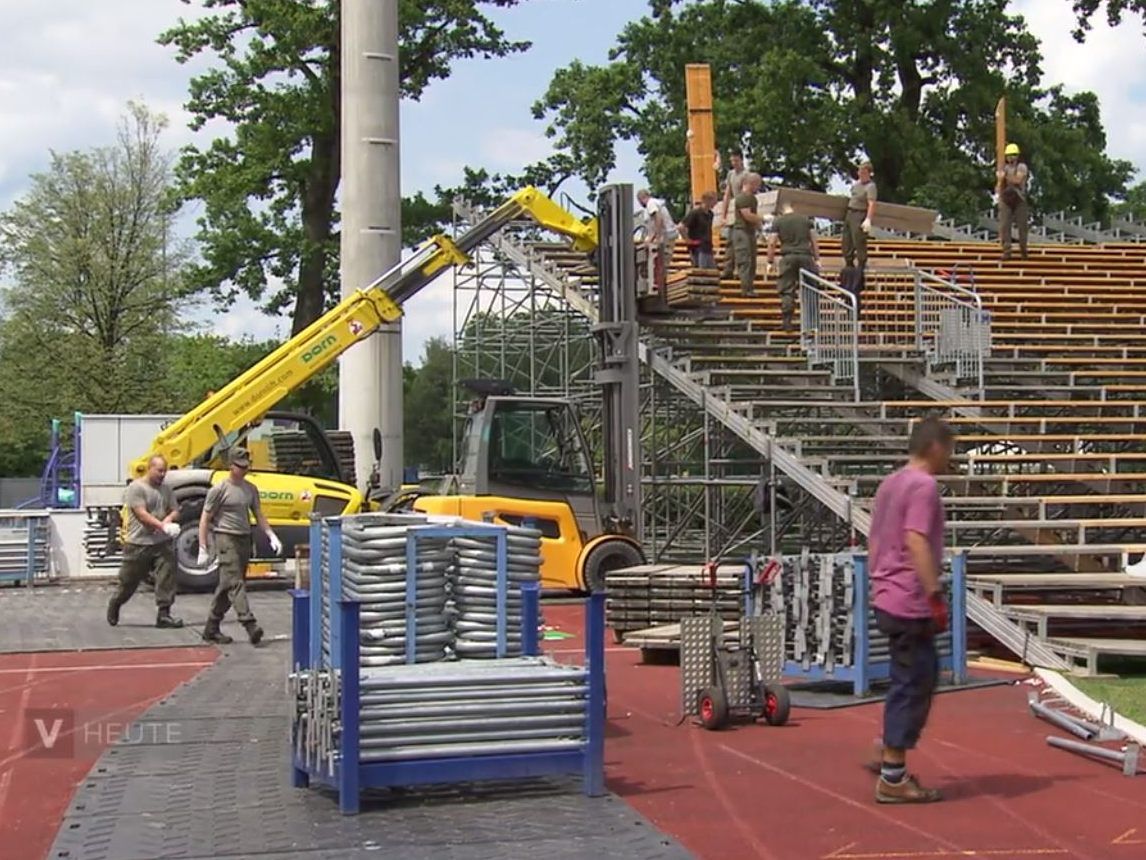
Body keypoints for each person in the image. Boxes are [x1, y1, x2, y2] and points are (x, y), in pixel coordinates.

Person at [866, 417, 954, 804]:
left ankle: (890, 748)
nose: (951, 458)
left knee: (916, 675)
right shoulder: (923, 486)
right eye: (949, 450)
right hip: (909, 597)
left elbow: (876, 537)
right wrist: (934, 591)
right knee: (914, 681)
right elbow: (915, 538)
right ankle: (892, 772)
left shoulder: (890, 484)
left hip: (888, 592)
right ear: (935, 447)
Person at [197, 447, 281, 645]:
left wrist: (271, 535)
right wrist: (203, 546)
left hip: (244, 538)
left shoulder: (250, 489)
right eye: (240, 466)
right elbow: (205, 519)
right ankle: (249, 624)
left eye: (246, 466)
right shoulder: (219, 490)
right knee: (236, 583)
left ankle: (211, 627)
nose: (243, 470)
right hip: (226, 538)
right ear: (230, 466)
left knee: (228, 586)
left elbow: (258, 514)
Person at [106, 454, 184, 629]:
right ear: (150, 468)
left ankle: (164, 615)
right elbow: (141, 514)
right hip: (138, 543)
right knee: (128, 582)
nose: (162, 474)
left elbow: (175, 510)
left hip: (161, 543)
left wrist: (168, 521)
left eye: (165, 471)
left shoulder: (166, 489)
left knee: (167, 576)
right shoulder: (136, 488)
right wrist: (162, 526)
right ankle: (116, 602)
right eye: (159, 470)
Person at [766, 201, 821, 331]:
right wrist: (817, 258)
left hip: (788, 257)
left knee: (787, 290)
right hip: (806, 257)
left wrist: (770, 260)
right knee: (811, 290)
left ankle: (787, 321)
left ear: (780, 210)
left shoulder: (778, 222)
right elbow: (814, 241)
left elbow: (772, 243)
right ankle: (813, 324)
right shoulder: (806, 220)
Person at [636, 188, 678, 293]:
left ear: (641, 199)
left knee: (661, 262)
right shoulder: (656, 203)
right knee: (661, 262)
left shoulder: (651, 203)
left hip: (665, 237)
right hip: (667, 235)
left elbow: (658, 218)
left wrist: (656, 237)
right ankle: (659, 285)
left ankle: (660, 287)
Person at [730, 173, 763, 297]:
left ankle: (750, 287)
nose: (758, 187)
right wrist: (763, 218)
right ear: (752, 183)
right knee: (745, 260)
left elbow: (753, 217)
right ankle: (746, 289)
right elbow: (747, 215)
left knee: (752, 261)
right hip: (741, 232)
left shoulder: (752, 199)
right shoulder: (742, 198)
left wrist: (760, 229)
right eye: (757, 184)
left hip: (750, 232)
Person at [997, 143, 1029, 260]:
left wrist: (1004, 176)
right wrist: (999, 184)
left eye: (1013, 155)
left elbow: (1017, 180)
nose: (1011, 157)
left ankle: (1023, 250)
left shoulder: (1021, 167)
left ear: (1017, 156)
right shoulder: (1004, 168)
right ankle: (1007, 251)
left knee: (1022, 226)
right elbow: (1000, 186)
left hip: (1019, 199)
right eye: (1009, 155)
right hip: (1006, 199)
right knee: (1005, 225)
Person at [719, 149, 748, 278]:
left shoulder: (746, 175)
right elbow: (727, 194)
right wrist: (723, 214)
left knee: (741, 243)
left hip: (743, 210)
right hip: (733, 211)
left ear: (741, 160)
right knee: (730, 242)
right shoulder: (731, 174)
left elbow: (745, 195)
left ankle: (739, 271)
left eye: (736, 160)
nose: (734, 163)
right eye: (732, 161)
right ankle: (728, 269)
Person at [843, 161, 877, 271]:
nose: (861, 174)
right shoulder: (856, 184)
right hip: (850, 212)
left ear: (869, 173)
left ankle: (862, 263)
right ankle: (849, 262)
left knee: (859, 240)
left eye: (863, 172)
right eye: (860, 172)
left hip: (860, 213)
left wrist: (868, 219)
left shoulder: (870, 186)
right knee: (846, 240)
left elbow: (871, 203)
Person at [680, 191, 718, 268]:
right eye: (714, 201)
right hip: (698, 247)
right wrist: (687, 240)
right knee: (701, 270)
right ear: (707, 200)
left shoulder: (710, 214)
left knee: (712, 271)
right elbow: (681, 227)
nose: (715, 203)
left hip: (708, 247)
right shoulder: (695, 213)